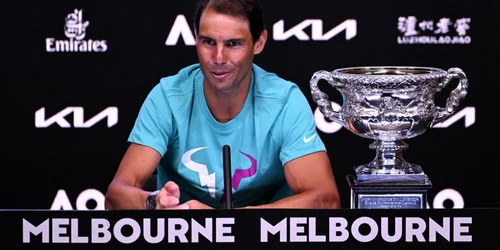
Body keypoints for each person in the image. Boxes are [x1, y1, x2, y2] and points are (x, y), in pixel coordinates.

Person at [105, 0, 340, 210]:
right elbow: (116, 195)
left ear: (259, 43)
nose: (218, 58)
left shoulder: (285, 101)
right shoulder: (168, 97)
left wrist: (236, 225)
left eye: (233, 44)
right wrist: (154, 203)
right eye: (208, 42)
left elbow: (325, 199)